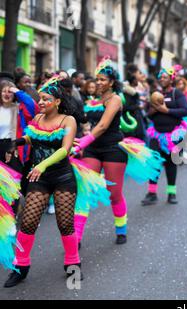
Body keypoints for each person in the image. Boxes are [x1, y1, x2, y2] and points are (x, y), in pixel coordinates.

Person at [3, 76, 80, 287]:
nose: (42, 102)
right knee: (28, 222)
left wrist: (42, 164)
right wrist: (16, 142)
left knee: (65, 224)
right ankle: (21, 266)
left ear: (57, 101)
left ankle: (73, 264)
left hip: (62, 176)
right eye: (41, 99)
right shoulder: (37, 118)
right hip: (40, 178)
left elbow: (65, 149)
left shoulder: (67, 120)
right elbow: (33, 136)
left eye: (47, 99)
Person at [74, 57, 129, 244]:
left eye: (103, 79)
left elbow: (104, 125)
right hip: (93, 149)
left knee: (114, 193)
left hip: (113, 149)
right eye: (97, 79)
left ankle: (121, 229)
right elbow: (89, 123)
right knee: (84, 191)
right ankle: (76, 237)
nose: (99, 82)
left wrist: (83, 142)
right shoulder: (93, 101)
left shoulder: (115, 99)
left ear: (112, 82)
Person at [141, 64, 187, 206]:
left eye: (165, 77)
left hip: (172, 135)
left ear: (171, 79)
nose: (162, 79)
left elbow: (185, 111)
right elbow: (147, 114)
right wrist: (154, 109)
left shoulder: (177, 94)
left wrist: (166, 110)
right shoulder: (155, 94)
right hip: (156, 134)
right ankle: (151, 193)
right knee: (154, 163)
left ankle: (171, 193)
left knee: (170, 163)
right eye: (160, 77)